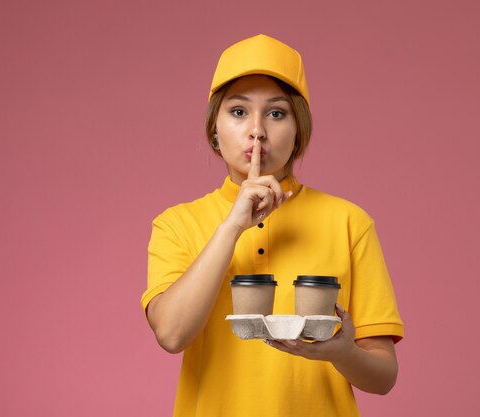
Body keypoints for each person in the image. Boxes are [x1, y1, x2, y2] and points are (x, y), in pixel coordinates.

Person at [141, 34, 403, 417]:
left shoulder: (350, 222)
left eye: (277, 113)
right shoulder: (176, 224)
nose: (257, 130)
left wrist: (342, 352)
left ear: (300, 132)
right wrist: (231, 227)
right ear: (214, 130)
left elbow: (384, 377)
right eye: (238, 112)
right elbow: (171, 334)